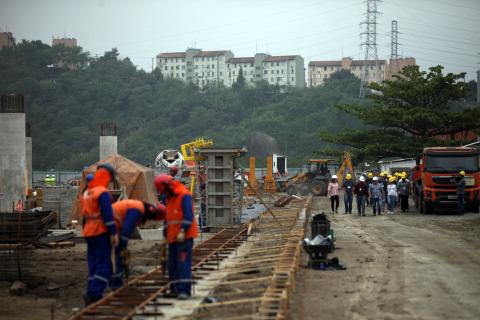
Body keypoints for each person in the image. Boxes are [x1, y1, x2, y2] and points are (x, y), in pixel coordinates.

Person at [154, 174, 198, 299]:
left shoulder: (184, 195)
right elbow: (168, 219)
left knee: (183, 263)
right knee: (172, 264)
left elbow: (189, 216)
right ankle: (174, 289)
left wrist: (183, 230)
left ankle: (184, 291)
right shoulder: (170, 197)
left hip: (184, 237)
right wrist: (164, 235)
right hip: (173, 236)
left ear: (167, 187)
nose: (163, 194)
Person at [81, 163, 118, 305]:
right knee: (104, 264)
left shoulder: (88, 192)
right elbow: (107, 215)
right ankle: (94, 294)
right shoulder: (102, 192)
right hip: (100, 230)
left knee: (93, 263)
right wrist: (113, 232)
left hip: (88, 231)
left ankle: (91, 290)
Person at [111, 199, 165, 288]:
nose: (148, 220)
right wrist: (122, 247)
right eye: (150, 218)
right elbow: (126, 231)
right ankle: (115, 286)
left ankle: (116, 284)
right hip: (105, 227)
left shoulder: (139, 207)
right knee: (115, 258)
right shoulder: (137, 209)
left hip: (110, 226)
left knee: (116, 257)